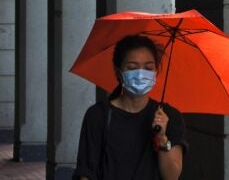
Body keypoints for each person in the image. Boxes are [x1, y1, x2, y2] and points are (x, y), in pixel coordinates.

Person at [73, 35, 188, 180]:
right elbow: (86, 172)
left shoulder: (169, 116)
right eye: (132, 67)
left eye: (148, 67)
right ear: (118, 72)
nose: (140, 74)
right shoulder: (98, 115)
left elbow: (171, 176)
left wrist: (162, 138)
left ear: (156, 72)